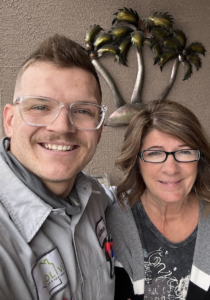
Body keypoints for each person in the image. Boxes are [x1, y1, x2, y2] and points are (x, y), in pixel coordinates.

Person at [0, 34, 115, 300]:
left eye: (83, 110)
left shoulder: (96, 196)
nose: (62, 126)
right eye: (40, 106)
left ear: (98, 129)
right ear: (10, 120)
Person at [106, 99, 210, 300]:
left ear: (199, 159)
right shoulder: (109, 225)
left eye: (185, 151)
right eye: (155, 153)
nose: (171, 168)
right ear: (136, 162)